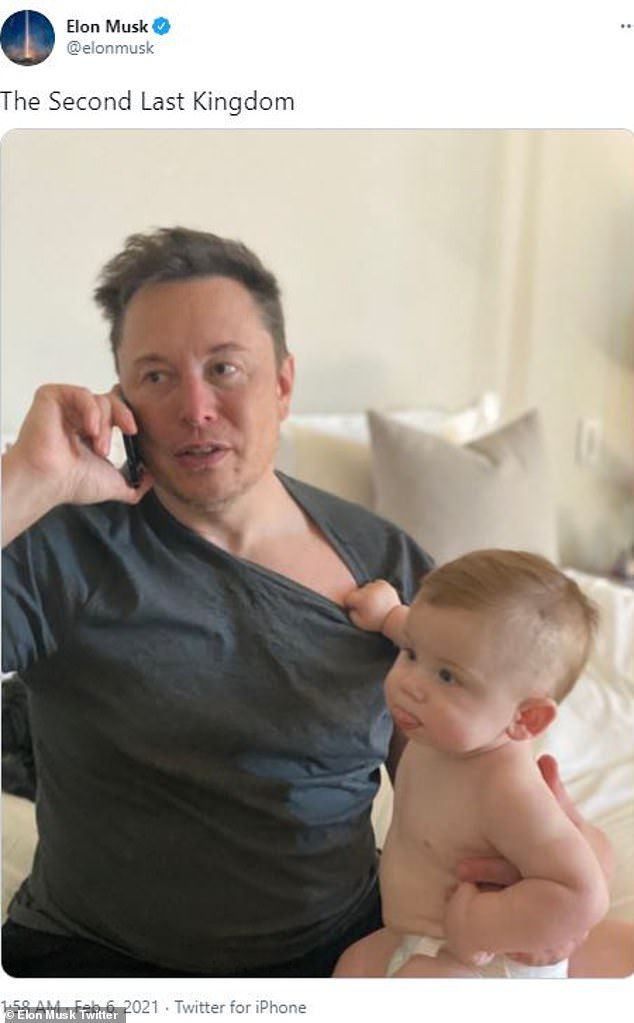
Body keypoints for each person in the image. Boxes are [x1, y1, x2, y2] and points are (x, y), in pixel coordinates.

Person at [0, 227, 624, 978]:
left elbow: (461, 763)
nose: (196, 407)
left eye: (225, 367)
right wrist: (23, 482)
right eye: (157, 376)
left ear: (284, 384)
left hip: (344, 950)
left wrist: (559, 856)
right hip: (102, 957)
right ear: (123, 398)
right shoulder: (57, 546)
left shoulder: (385, 559)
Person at [335, 551, 616, 978]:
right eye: (410, 652)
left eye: (447, 677)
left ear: (526, 719)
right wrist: (391, 615)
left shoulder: (503, 786)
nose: (411, 683)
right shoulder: (446, 719)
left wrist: (482, 926)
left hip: (478, 956)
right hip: (414, 933)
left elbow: (582, 891)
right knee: (353, 965)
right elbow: (439, 641)